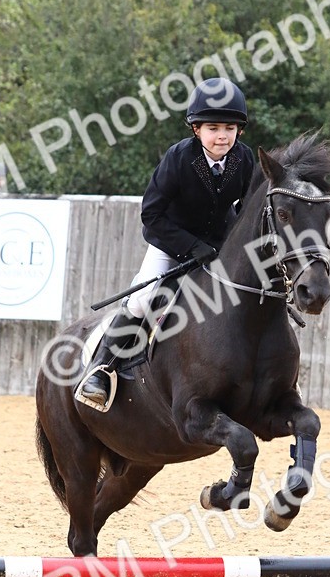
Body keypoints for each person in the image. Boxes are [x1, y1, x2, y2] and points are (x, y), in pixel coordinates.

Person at [76, 77, 255, 410]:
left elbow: (247, 207)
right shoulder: (179, 158)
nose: (222, 136)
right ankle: (100, 370)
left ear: (239, 131)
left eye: (229, 128)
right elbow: (152, 214)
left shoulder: (244, 160)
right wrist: (191, 247)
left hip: (217, 249)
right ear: (196, 129)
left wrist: (234, 242)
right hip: (170, 243)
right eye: (213, 128)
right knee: (144, 301)